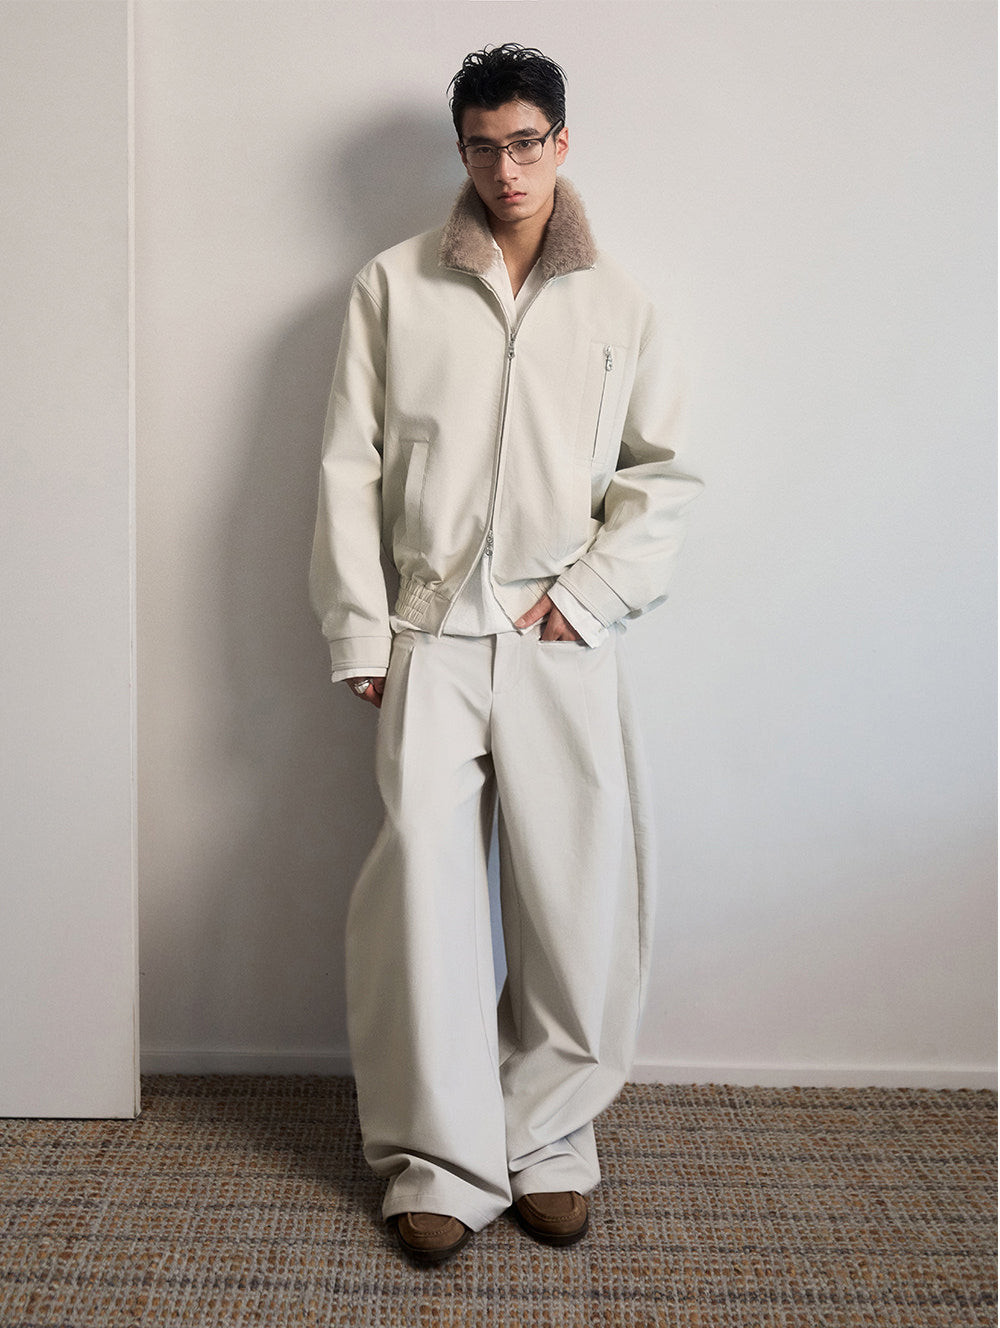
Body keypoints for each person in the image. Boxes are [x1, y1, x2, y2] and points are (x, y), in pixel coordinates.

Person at [309, 43, 701, 1265]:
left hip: (557, 631)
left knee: (572, 893)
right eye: (483, 146)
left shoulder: (622, 305)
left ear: (560, 142)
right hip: (429, 630)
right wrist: (360, 623)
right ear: (464, 151)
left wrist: (589, 598)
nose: (506, 168)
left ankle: (550, 1137)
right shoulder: (391, 286)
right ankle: (437, 1158)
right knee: (420, 895)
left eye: (526, 142)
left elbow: (662, 476)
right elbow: (348, 466)